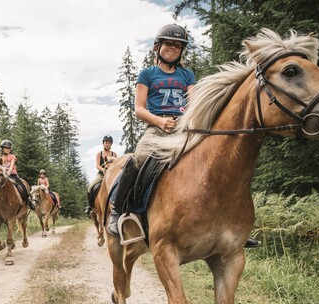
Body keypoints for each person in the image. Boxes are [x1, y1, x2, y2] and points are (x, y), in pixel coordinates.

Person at [107, 23, 258, 248]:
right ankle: (119, 211)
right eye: (169, 43)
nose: (173, 48)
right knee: (139, 158)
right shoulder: (147, 74)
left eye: (178, 45)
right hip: (156, 128)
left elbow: (193, 101)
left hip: (185, 127)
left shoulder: (187, 74)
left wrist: (189, 120)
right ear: (158, 46)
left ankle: (227, 223)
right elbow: (139, 109)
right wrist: (160, 121)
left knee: (217, 158)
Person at [85, 135, 117, 215]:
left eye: (109, 143)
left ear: (111, 144)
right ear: (103, 143)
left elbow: (117, 164)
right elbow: (97, 165)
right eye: (106, 142)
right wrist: (104, 170)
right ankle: (90, 206)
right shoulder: (99, 154)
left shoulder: (114, 154)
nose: (107, 144)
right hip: (101, 174)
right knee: (90, 187)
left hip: (112, 175)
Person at [0, 140, 35, 210]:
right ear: (2, 149)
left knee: (22, 186)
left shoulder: (12, 156)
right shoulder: (1, 158)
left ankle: (28, 200)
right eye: (6, 148)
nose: (8, 149)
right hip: (4, 175)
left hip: (12, 175)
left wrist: (9, 171)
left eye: (9, 148)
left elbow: (12, 165)